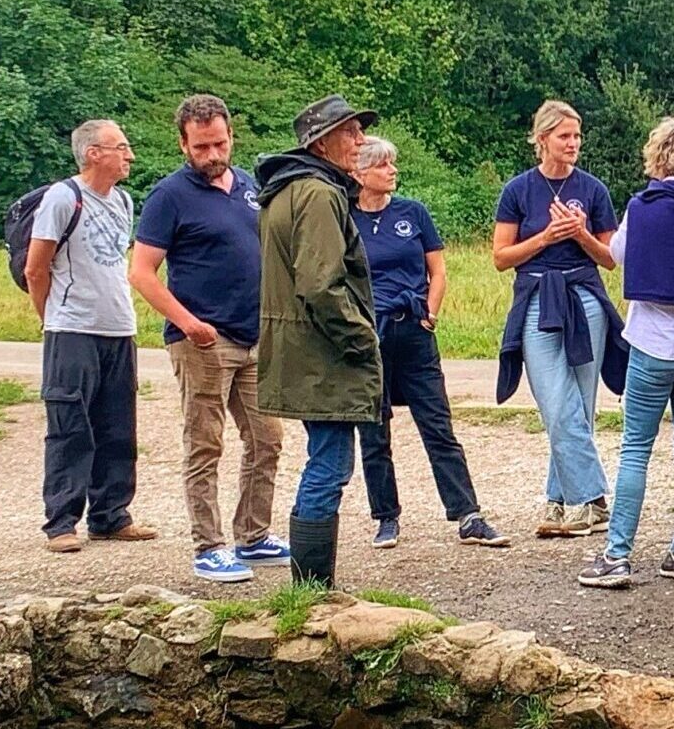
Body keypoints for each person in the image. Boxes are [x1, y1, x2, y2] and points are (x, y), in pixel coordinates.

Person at [129, 95, 289, 583]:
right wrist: (189, 322)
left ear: (231, 137)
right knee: (205, 443)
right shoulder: (169, 196)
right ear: (183, 144)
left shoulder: (248, 186)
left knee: (268, 438)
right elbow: (141, 272)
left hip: (254, 334)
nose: (212, 153)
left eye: (219, 143)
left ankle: (254, 533)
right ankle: (208, 545)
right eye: (201, 146)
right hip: (201, 339)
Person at [577, 117, 674, 588]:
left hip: (654, 341)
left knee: (636, 450)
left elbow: (616, 256)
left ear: (659, 156)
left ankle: (618, 554)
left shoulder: (643, 207)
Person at [351, 137, 510, 549]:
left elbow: (437, 270)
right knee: (374, 429)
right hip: (369, 334)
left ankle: (467, 514)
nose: (392, 171)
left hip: (414, 329)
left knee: (437, 423)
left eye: (393, 164)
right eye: (383, 165)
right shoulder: (344, 218)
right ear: (359, 173)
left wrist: (430, 313)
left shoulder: (413, 212)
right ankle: (386, 517)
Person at [255, 95, 386, 587]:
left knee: (326, 459)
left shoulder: (286, 190)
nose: (360, 140)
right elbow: (319, 283)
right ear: (321, 142)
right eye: (350, 132)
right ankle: (311, 590)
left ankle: (311, 588)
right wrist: (361, 338)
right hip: (320, 351)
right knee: (329, 463)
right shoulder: (318, 193)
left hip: (300, 346)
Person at [493, 100, 625, 539]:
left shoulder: (593, 190)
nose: (573, 144)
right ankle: (591, 498)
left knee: (580, 405)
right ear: (542, 138)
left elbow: (610, 259)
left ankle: (560, 498)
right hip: (535, 297)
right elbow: (500, 257)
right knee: (554, 400)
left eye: (577, 136)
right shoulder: (517, 190)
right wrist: (546, 237)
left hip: (584, 297)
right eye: (565, 136)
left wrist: (580, 233)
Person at [26, 119, 158, 554]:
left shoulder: (122, 200)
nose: (130, 156)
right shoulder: (62, 198)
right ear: (92, 153)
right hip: (73, 329)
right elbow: (36, 267)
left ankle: (111, 515)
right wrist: (52, 317)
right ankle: (61, 522)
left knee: (117, 426)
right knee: (69, 426)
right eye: (120, 147)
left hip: (118, 327)